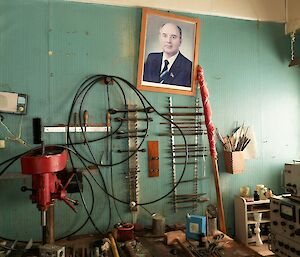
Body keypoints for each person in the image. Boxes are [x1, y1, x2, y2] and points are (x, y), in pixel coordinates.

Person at [143, 22, 192, 87]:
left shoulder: (188, 66)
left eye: (173, 37)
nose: (168, 41)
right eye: (164, 35)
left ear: (180, 41)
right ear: (160, 38)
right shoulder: (151, 58)